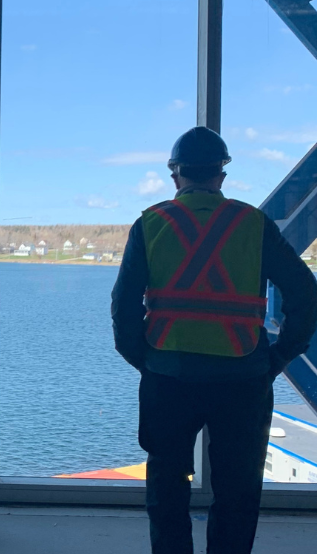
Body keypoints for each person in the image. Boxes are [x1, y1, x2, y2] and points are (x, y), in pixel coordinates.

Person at [112, 127, 317, 554]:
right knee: (238, 493)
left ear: (176, 175)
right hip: (243, 378)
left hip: (168, 376)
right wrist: (277, 357)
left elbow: (123, 306)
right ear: (221, 176)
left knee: (166, 489)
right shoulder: (253, 223)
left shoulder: (150, 223)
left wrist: (145, 359)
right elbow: (305, 294)